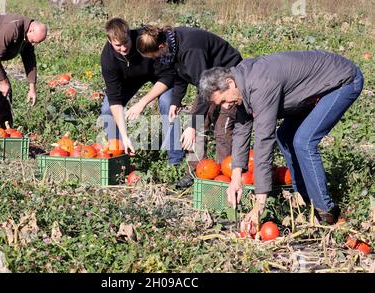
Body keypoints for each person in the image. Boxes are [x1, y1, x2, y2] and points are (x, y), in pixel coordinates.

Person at [198, 50, 364, 229]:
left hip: (342, 81)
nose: (226, 106)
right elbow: (241, 129)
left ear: (229, 83)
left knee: (304, 141)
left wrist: (260, 203)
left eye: (224, 100)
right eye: (220, 104)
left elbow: (263, 140)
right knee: (285, 137)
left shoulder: (260, 85)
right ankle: (304, 198)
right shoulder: (241, 84)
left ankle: (326, 210)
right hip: (310, 91)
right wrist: (236, 177)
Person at [136, 25, 242, 188]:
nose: (154, 59)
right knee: (197, 127)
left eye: (154, 56)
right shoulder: (171, 46)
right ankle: (195, 171)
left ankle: (223, 176)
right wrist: (176, 101)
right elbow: (179, 73)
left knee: (222, 127)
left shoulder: (190, 50)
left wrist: (193, 125)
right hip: (210, 82)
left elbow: (203, 87)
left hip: (230, 81)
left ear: (161, 47)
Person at [100, 18, 184, 165]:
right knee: (107, 110)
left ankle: (175, 160)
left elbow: (167, 75)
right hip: (129, 81)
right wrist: (125, 136)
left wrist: (142, 102)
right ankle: (120, 157)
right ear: (109, 41)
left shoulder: (144, 39)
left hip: (159, 76)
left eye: (126, 42)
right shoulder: (108, 58)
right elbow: (114, 98)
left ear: (130, 34)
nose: (123, 48)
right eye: (118, 45)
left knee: (167, 103)